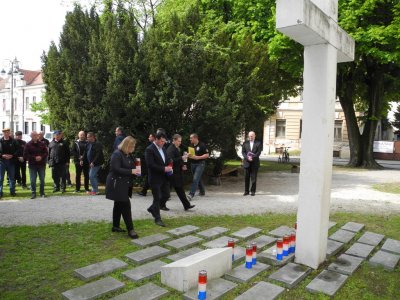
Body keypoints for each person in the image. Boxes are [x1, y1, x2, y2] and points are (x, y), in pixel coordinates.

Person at [106, 136, 140, 239]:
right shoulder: (117, 154)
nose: (133, 148)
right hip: (117, 184)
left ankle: (115, 226)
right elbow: (115, 169)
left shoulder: (128, 154)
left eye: (134, 146)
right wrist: (131, 171)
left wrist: (136, 170)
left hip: (125, 184)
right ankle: (131, 229)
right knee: (125, 205)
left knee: (118, 205)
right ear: (127, 145)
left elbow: (131, 167)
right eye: (132, 146)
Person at [145, 132, 172, 227]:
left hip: (164, 177)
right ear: (156, 139)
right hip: (155, 178)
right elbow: (150, 165)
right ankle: (157, 218)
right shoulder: (149, 149)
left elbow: (167, 160)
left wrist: (169, 165)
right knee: (156, 198)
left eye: (164, 141)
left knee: (166, 195)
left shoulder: (163, 148)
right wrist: (164, 168)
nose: (163, 143)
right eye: (162, 141)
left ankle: (153, 208)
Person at [166, 134, 195, 211]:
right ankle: (161, 204)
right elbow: (171, 161)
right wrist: (181, 158)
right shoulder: (170, 149)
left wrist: (182, 165)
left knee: (180, 190)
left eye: (180, 141)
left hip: (177, 173)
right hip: (173, 173)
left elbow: (177, 160)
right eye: (179, 141)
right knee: (167, 192)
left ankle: (186, 205)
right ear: (174, 140)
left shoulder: (176, 148)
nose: (180, 143)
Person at [23, 131, 48, 199]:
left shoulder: (42, 144)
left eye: (36, 135)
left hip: (41, 165)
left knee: (42, 179)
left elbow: (46, 152)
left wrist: (41, 157)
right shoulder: (28, 145)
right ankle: (33, 193)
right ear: (31, 136)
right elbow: (25, 155)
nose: (35, 136)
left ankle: (42, 192)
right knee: (33, 180)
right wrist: (34, 158)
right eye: (33, 135)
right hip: (32, 165)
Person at [187, 133, 209, 201]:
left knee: (195, 179)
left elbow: (207, 155)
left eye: (191, 138)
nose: (190, 139)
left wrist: (198, 157)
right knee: (197, 178)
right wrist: (188, 155)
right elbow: (191, 154)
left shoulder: (202, 145)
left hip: (200, 164)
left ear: (195, 138)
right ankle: (202, 192)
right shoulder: (191, 145)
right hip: (192, 164)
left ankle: (191, 194)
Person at [242, 131, 262, 196]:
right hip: (246, 163)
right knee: (246, 178)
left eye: (252, 136)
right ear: (248, 136)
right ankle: (246, 191)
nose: (251, 137)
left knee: (254, 178)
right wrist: (247, 158)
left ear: (254, 136)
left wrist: (252, 157)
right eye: (250, 136)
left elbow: (258, 153)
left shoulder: (258, 143)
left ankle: (253, 191)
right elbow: (243, 152)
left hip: (254, 163)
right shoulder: (245, 143)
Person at [0, 128, 18, 198]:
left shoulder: (13, 141)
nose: (6, 133)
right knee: (0, 178)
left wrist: (12, 155)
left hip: (11, 161)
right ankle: (0, 192)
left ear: (9, 133)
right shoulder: (0, 141)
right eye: (5, 132)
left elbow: (18, 150)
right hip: (2, 162)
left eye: (7, 132)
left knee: (12, 178)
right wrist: (2, 155)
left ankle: (12, 191)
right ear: (3, 133)